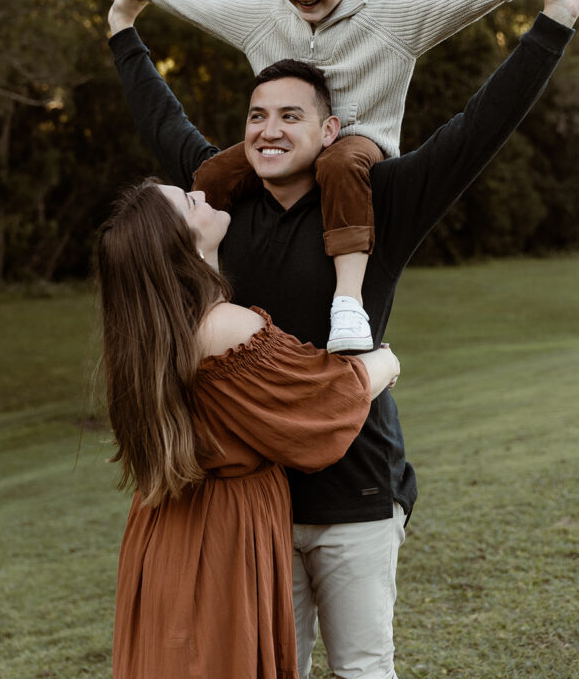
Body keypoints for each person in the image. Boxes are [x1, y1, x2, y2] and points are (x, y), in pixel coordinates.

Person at [106, 0, 579, 679]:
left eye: (291, 116)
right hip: (255, 509)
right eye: (256, 117)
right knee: (278, 669)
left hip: (357, 493)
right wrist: (122, 32)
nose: (269, 130)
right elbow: (158, 114)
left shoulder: (379, 202)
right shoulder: (212, 209)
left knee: (363, 669)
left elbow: (475, 130)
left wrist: (554, 20)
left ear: (330, 129)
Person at [110, 0, 579, 354]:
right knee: (211, 174)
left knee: (338, 164)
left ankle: (348, 300)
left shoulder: (391, 19)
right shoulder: (267, 18)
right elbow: (203, 6)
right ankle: (198, 288)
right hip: (281, 172)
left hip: (359, 148)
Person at [96, 176, 400, 679]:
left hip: (163, 531)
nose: (205, 195)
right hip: (223, 534)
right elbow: (323, 402)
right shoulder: (225, 328)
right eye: (191, 202)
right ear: (179, 244)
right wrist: (385, 363)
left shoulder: (145, 334)